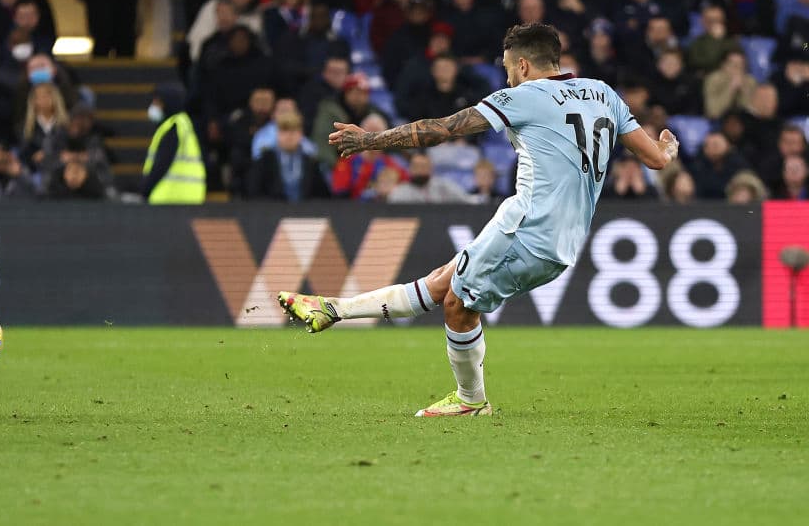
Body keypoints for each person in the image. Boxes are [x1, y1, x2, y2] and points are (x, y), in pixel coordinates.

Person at [278, 23, 680, 417]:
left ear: (523, 65)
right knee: (441, 283)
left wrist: (369, 140)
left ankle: (471, 400)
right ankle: (332, 310)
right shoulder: (603, 94)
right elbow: (656, 160)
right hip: (562, 238)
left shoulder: (525, 96)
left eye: (507, 68)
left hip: (527, 228)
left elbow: (442, 130)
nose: (506, 76)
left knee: (457, 303)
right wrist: (667, 147)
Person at [141, 82, 205, 204]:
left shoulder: (173, 127)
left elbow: (162, 163)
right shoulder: (184, 124)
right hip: (188, 196)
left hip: (171, 196)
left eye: (157, 102)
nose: (153, 106)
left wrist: (145, 189)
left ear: (168, 103)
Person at [246, 112, 331, 201]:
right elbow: (253, 192)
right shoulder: (264, 160)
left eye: (294, 130)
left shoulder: (310, 162)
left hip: (305, 212)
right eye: (284, 130)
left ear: (301, 133)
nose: (289, 135)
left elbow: (322, 195)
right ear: (277, 133)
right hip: (272, 211)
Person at [388, 151, 471, 203]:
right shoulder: (400, 191)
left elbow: (467, 202)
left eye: (424, 166)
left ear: (431, 169)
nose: (420, 170)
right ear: (410, 169)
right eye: (416, 166)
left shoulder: (444, 187)